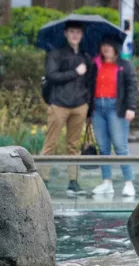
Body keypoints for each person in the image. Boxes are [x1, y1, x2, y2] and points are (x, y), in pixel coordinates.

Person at [40, 20, 92, 196]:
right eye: (72, 32)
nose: (75, 35)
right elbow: (52, 76)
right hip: (59, 105)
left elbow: (89, 82)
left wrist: (87, 106)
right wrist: (75, 72)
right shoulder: (56, 54)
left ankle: (73, 182)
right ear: (66, 34)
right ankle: (42, 182)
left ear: (82, 35)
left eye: (78, 32)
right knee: (50, 144)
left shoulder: (86, 56)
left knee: (73, 146)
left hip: (79, 106)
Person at [89, 36, 138, 197]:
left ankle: (129, 183)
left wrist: (131, 107)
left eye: (109, 45)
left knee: (120, 147)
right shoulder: (95, 64)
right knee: (103, 148)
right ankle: (106, 182)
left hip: (116, 108)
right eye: (103, 44)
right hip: (98, 108)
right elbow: (88, 86)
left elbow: (132, 86)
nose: (105, 48)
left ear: (116, 47)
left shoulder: (125, 65)